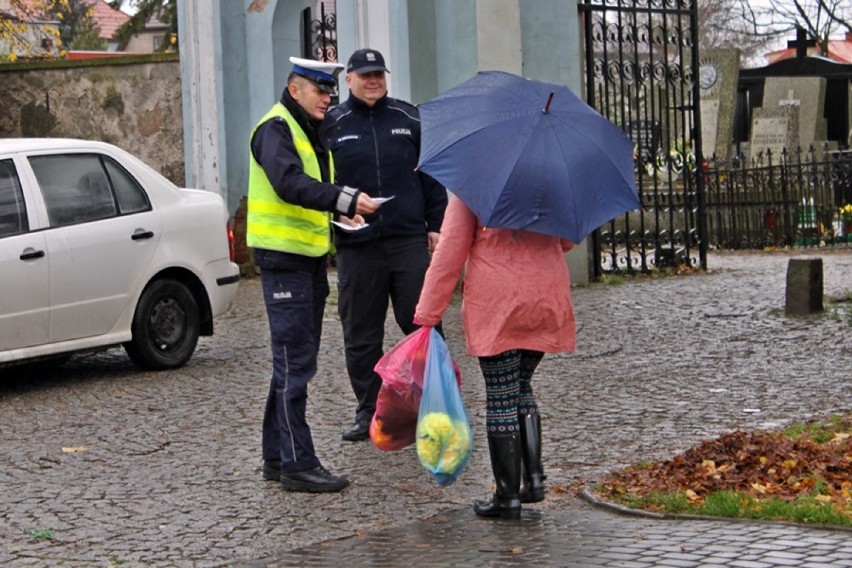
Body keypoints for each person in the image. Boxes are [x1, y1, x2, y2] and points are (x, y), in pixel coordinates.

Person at [247, 56, 379, 493]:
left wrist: (341, 218)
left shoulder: (306, 129)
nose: (328, 97)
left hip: (305, 260)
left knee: (291, 364)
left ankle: (274, 456)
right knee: (295, 367)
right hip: (284, 264)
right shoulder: (276, 128)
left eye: (331, 91)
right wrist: (345, 200)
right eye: (320, 89)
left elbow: (304, 196)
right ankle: (298, 463)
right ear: (295, 87)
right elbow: (289, 184)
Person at [413, 195, 576, 519]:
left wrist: (427, 313)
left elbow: (450, 253)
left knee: (501, 396)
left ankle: (507, 496)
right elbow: (568, 240)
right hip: (545, 298)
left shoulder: (474, 185)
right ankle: (533, 480)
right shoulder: (549, 179)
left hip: (499, 302)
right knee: (520, 385)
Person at [320, 48, 448, 442]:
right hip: (357, 245)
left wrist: (436, 224)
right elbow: (320, 182)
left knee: (423, 325)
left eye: (378, 74)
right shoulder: (331, 124)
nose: (373, 80)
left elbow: (431, 174)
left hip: (408, 239)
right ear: (349, 80)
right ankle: (371, 412)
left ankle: (432, 407)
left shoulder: (409, 118)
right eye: (365, 74)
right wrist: (336, 215)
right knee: (360, 333)